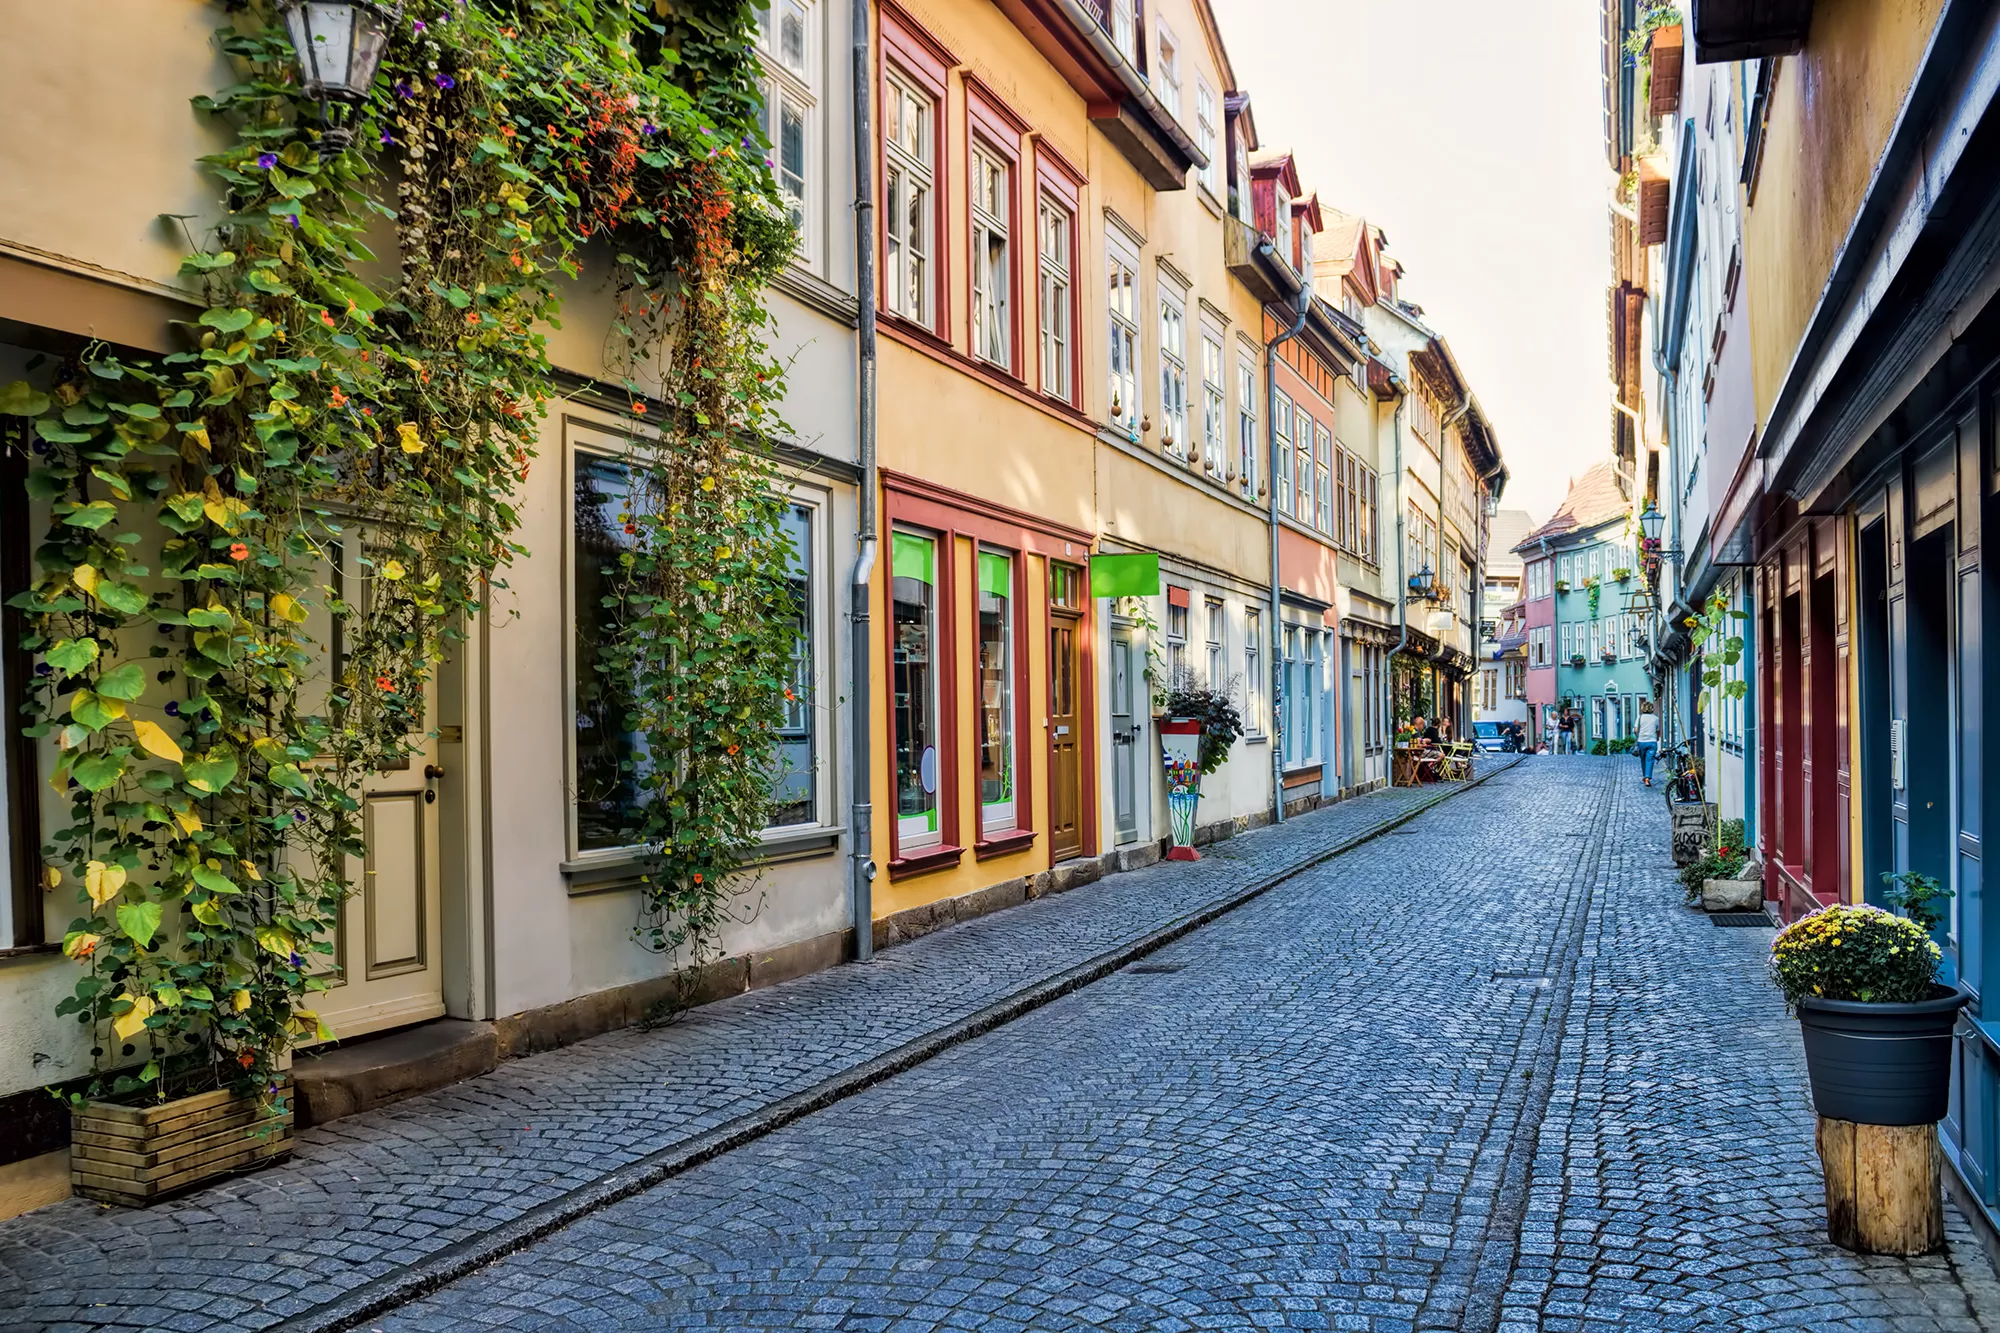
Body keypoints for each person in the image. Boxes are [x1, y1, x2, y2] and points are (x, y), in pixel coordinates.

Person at [1635, 700, 1661, 786]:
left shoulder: (1640, 717)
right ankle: (1647, 777)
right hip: (1652, 741)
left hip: (1642, 741)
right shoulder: (1655, 718)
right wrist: (1657, 737)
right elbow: (1658, 730)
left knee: (1643, 759)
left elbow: (1635, 730)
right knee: (1650, 760)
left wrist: (1638, 735)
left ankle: (1645, 776)